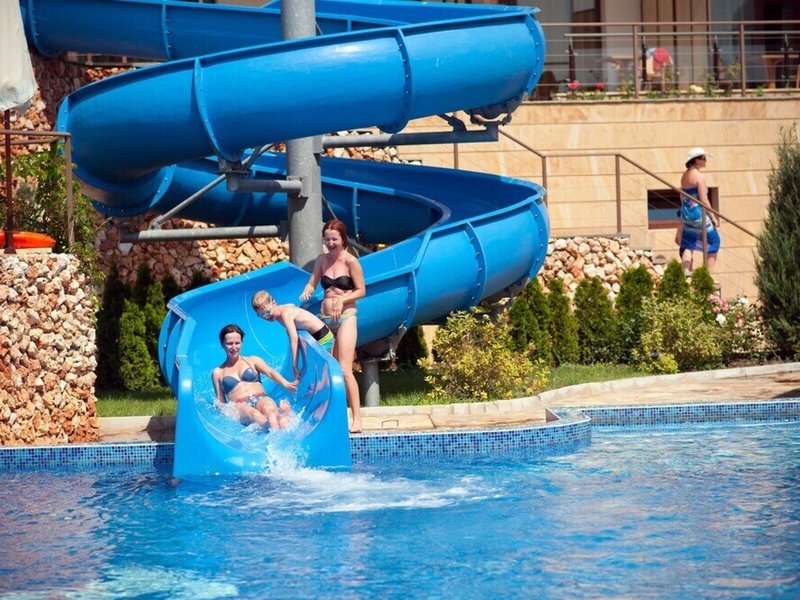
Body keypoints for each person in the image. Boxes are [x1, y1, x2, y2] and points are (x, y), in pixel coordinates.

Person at [300, 219, 366, 433]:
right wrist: (308, 289)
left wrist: (342, 300)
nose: (330, 243)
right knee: (326, 370)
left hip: (346, 317)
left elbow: (361, 290)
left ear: (343, 239)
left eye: (334, 239)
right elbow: (313, 281)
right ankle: (332, 416)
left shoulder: (351, 262)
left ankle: (357, 419)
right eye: (327, 239)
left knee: (345, 370)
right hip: (325, 318)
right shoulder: (322, 260)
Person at [212, 324, 297, 430]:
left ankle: (277, 418)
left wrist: (286, 383)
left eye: (237, 343)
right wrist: (225, 414)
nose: (234, 347)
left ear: (242, 342)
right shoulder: (218, 372)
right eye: (229, 343)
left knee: (269, 407)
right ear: (222, 344)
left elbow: (270, 372)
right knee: (254, 415)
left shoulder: (253, 360)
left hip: (260, 397)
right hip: (240, 405)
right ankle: (279, 417)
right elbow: (221, 401)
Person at [251, 290, 335, 381]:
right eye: (262, 315)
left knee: (320, 371)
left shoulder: (285, 314)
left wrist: (294, 365)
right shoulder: (279, 310)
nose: (267, 317)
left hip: (324, 338)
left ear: (274, 303)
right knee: (313, 369)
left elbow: (294, 339)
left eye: (267, 312)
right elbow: (292, 305)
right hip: (318, 336)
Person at [677, 147, 721, 273]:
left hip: (686, 214)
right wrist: (713, 217)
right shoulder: (699, 177)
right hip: (698, 215)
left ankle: (686, 275)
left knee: (688, 244)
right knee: (715, 241)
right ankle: (707, 277)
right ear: (696, 160)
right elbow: (704, 200)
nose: (706, 161)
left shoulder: (684, 175)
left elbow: (682, 196)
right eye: (703, 158)